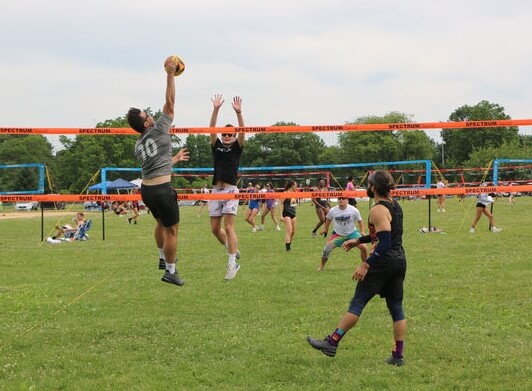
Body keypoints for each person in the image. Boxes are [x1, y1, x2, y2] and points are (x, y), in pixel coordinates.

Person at [307, 170, 408, 367]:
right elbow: (384, 234)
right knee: (396, 306)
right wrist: (358, 241)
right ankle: (398, 356)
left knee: (358, 301)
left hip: (383, 262)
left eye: (369, 183)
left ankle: (332, 342)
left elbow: (385, 241)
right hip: (399, 261)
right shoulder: (395, 206)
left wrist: (366, 263)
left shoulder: (378, 209)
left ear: (373, 187)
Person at [127, 55, 190, 287]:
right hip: (162, 190)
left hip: (147, 190)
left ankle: (163, 258)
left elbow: (155, 167)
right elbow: (170, 103)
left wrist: (173, 158)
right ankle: (171, 271)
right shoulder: (159, 128)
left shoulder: (138, 144)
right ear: (146, 124)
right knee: (172, 230)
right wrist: (170, 75)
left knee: (160, 224)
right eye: (147, 115)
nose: (151, 115)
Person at [208, 94, 245, 281]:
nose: (227, 136)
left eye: (230, 134)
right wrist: (216, 109)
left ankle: (232, 263)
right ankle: (232, 248)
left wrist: (239, 113)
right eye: (225, 134)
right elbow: (211, 130)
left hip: (231, 190)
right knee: (215, 229)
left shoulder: (237, 147)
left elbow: (243, 131)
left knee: (229, 228)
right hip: (216, 191)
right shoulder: (217, 146)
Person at [318, 197, 367, 271]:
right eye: (339, 198)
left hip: (352, 234)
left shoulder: (354, 210)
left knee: (364, 247)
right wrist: (325, 229)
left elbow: (360, 221)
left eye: (343, 198)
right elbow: (328, 219)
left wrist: (362, 231)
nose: (341, 200)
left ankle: (365, 266)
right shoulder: (333, 210)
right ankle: (321, 267)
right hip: (338, 234)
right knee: (326, 249)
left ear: (347, 200)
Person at [282, 180, 298, 251]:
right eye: (296, 186)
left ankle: (289, 244)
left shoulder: (294, 194)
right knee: (289, 231)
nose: (296, 187)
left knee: (293, 231)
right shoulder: (285, 193)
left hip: (293, 213)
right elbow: (281, 203)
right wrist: (280, 215)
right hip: (286, 213)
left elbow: (293, 204)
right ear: (292, 186)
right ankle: (287, 248)